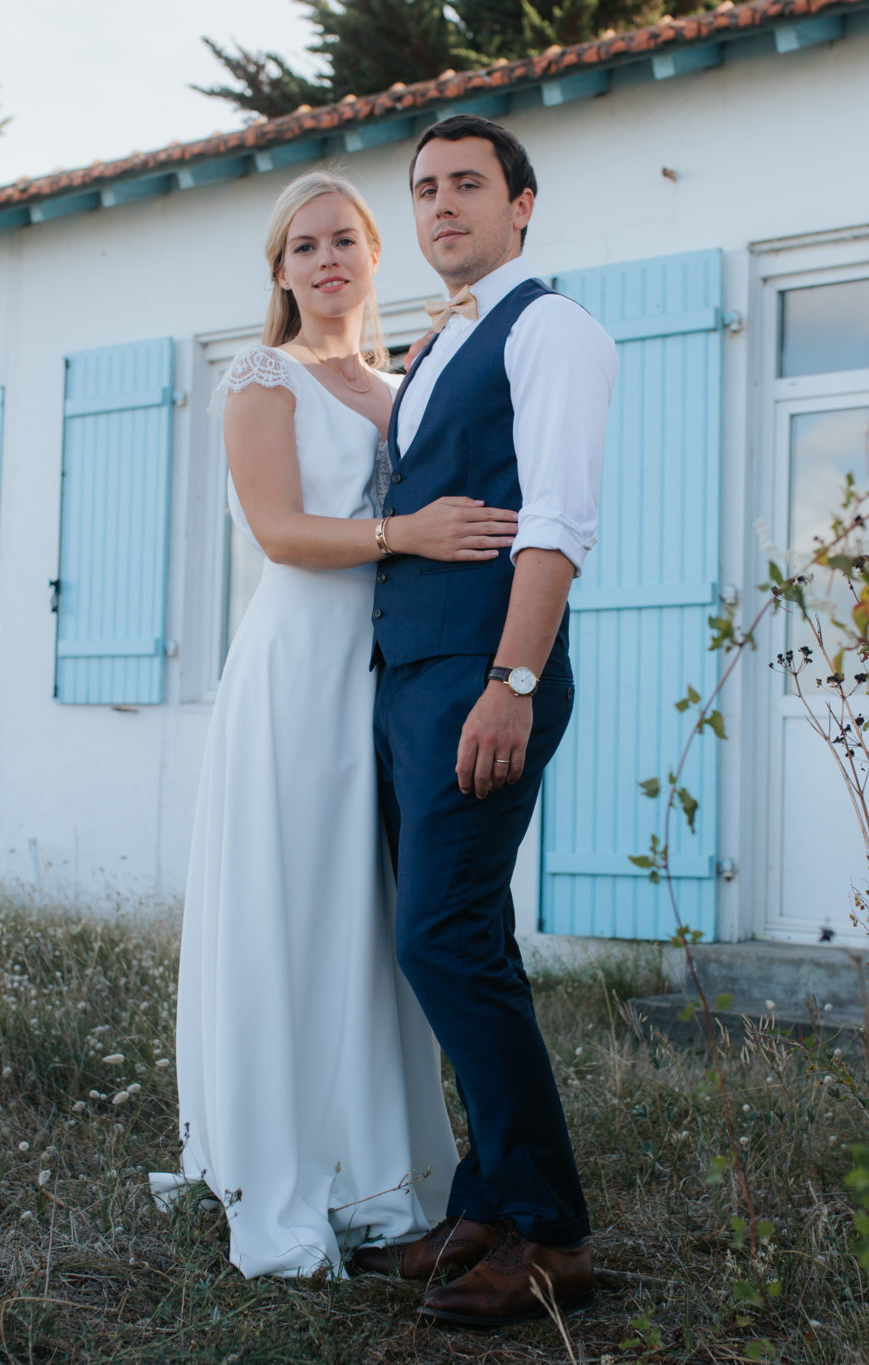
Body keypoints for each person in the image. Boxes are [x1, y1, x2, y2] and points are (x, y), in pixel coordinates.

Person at [163, 170, 522, 1279]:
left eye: (344, 243)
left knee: (369, 919)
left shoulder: (397, 382)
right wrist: (407, 534)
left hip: (383, 677)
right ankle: (277, 1171)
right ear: (279, 272)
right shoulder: (261, 374)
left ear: (375, 257)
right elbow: (277, 529)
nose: (325, 261)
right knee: (288, 905)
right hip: (292, 671)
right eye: (302, 247)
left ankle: (379, 1176)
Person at [349, 114, 617, 1328]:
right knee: (463, 944)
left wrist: (510, 682)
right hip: (411, 677)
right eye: (423, 189)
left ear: (521, 206)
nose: (441, 204)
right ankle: (485, 1199)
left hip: (480, 675)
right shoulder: (436, 341)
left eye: (467, 184)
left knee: (440, 942)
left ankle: (548, 1230)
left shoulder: (550, 327)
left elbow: (555, 518)